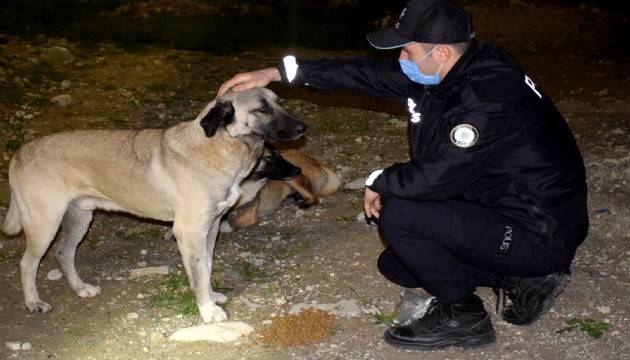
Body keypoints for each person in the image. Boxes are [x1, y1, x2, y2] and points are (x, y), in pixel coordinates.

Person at [218, 0, 589, 351]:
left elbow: (434, 177)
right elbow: (362, 74)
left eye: (407, 50)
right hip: (496, 206)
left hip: (536, 233)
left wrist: (379, 180)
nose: (400, 59)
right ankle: (524, 278)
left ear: (440, 51)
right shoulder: (452, 71)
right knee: (397, 264)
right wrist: (278, 72)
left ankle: (466, 317)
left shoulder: (488, 98)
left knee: (400, 213)